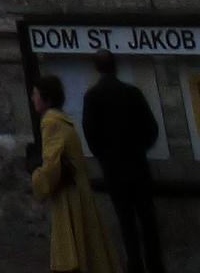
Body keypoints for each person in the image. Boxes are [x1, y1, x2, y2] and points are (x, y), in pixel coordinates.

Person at [81, 56, 164, 273]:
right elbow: (151, 128)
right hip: (137, 165)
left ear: (97, 68)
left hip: (114, 169)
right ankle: (155, 264)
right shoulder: (132, 93)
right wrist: (139, 149)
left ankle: (134, 264)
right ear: (115, 67)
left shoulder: (93, 97)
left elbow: (90, 134)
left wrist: (106, 157)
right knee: (147, 219)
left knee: (126, 221)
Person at [31, 74, 120, 273]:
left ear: (47, 97)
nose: (33, 98)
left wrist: (37, 184)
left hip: (69, 196)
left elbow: (51, 166)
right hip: (77, 191)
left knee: (71, 250)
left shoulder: (51, 122)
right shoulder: (61, 120)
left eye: (36, 94)